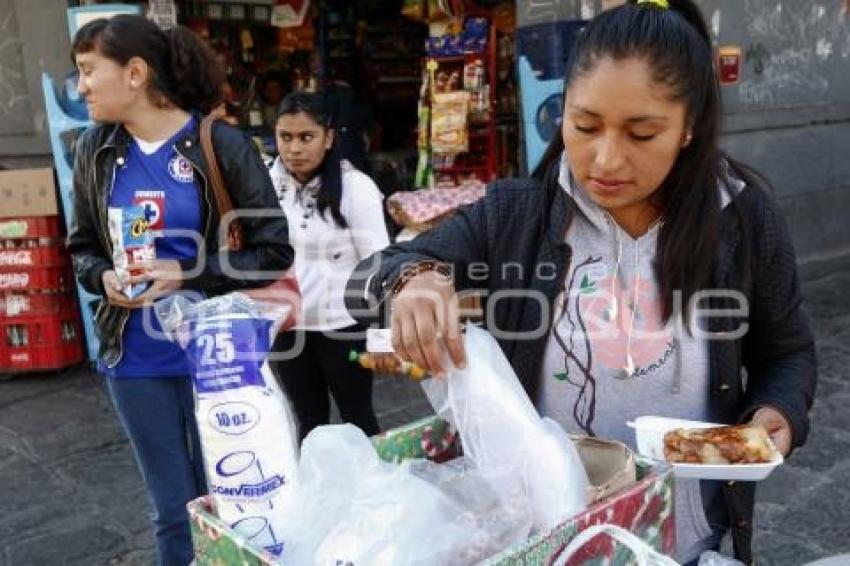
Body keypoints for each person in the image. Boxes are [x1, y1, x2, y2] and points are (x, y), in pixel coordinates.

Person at [345, 1, 816, 564]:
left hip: (686, 541)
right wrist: (414, 279)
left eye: (642, 133)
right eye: (585, 125)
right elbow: (365, 281)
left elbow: (787, 353)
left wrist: (776, 417)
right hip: (551, 539)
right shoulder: (516, 215)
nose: (605, 159)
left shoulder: (741, 218)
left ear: (689, 127)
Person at [67, 15, 293, 566]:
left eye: (88, 71)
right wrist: (105, 279)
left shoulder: (221, 143)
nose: (81, 87)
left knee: (235, 500)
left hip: (218, 353)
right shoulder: (93, 151)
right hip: (135, 356)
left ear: (136, 72)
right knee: (171, 508)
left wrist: (186, 271)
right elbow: (83, 249)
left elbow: (273, 251)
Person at [268, 91, 389, 441]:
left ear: (329, 138)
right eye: (285, 137)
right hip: (288, 327)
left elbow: (379, 264)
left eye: (306, 137)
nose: (294, 149)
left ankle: (376, 494)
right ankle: (320, 496)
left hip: (344, 325)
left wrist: (381, 335)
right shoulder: (263, 184)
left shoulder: (356, 188)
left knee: (358, 419)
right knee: (309, 422)